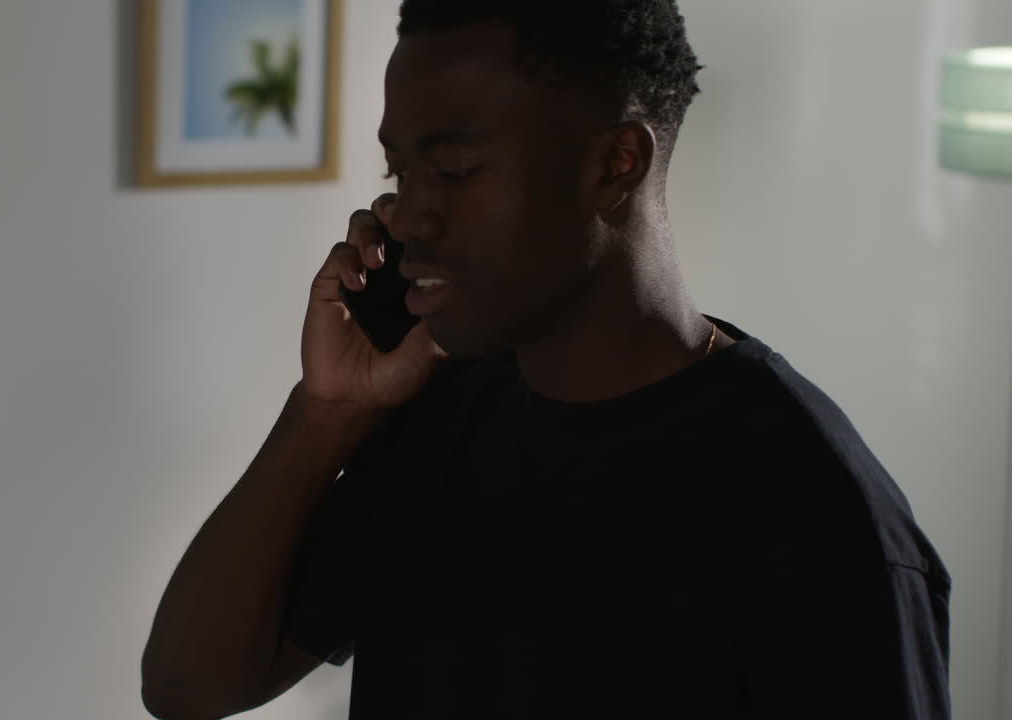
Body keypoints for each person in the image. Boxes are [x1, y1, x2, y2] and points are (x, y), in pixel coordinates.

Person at [140, 1, 952, 718]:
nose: (410, 212)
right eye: (400, 168)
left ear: (615, 164)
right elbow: (187, 687)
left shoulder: (817, 518)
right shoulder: (439, 423)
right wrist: (329, 412)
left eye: (455, 169)